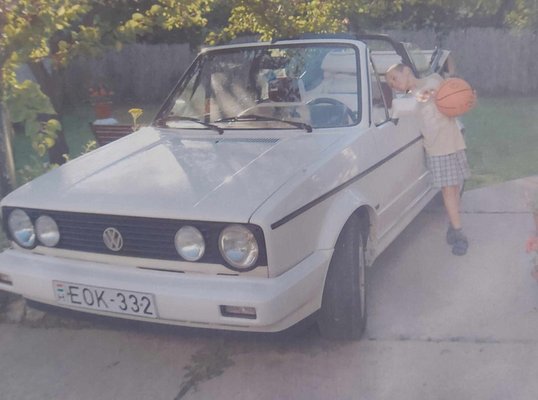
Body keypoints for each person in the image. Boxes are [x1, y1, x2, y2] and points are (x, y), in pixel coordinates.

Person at [386, 63, 470, 255]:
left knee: (455, 187)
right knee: (448, 190)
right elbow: (405, 106)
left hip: (454, 142)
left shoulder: (433, 79)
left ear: (407, 71)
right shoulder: (407, 99)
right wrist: (412, 99)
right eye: (390, 83)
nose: (393, 84)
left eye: (394, 78)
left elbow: (441, 92)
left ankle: (453, 224)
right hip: (437, 148)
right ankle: (459, 234)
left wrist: (464, 97)